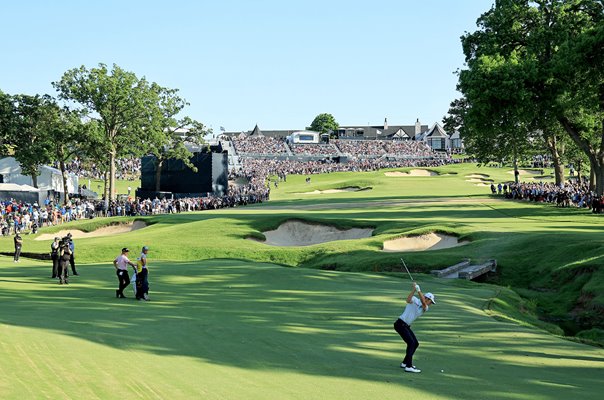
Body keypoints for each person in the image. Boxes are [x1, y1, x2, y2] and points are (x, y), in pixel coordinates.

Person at [393, 282, 436, 373]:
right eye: (430, 301)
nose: (430, 304)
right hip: (400, 324)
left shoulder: (425, 307)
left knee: (415, 343)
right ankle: (409, 366)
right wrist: (414, 290)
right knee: (411, 343)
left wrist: (418, 290)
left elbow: (423, 302)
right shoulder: (414, 299)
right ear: (427, 298)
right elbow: (408, 300)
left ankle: (405, 362)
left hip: (406, 326)